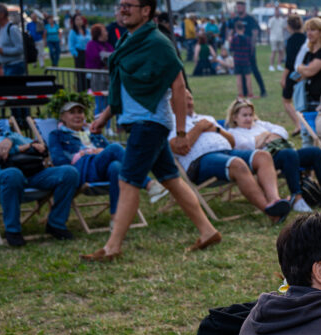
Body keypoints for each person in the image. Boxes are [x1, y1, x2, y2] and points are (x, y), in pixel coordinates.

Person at [81, 0, 220, 262]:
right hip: (140, 121)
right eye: (120, 5)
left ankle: (112, 247)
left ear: (146, 10)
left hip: (150, 123)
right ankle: (208, 231)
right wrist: (105, 115)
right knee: (170, 178)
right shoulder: (127, 41)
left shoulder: (157, 41)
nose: (122, 9)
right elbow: (125, 86)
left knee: (127, 179)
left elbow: (178, 86)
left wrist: (181, 133)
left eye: (129, 5)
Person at [175, 90, 291, 221]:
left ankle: (275, 200)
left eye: (190, 98)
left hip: (227, 151)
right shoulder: (172, 123)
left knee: (263, 156)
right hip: (200, 161)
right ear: (173, 102)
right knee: (237, 164)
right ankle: (270, 211)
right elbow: (178, 148)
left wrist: (217, 130)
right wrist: (199, 128)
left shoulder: (206, 118)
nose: (189, 102)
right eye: (184, 99)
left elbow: (231, 141)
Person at [48, 101, 168, 219]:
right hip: (80, 170)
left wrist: (100, 151)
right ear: (62, 117)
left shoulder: (91, 132)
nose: (77, 115)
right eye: (72, 112)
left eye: (80, 112)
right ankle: (148, 183)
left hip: (99, 169)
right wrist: (84, 153)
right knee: (115, 147)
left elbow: (108, 152)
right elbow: (59, 161)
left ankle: (116, 217)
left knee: (115, 166)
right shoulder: (57, 135)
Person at [225, 97, 321, 212]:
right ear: (235, 117)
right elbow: (249, 146)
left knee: (315, 152)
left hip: (285, 155)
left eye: (250, 115)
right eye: (244, 115)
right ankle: (297, 198)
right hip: (265, 162)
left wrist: (264, 137)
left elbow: (282, 131)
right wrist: (266, 135)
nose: (248, 118)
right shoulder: (233, 133)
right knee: (288, 154)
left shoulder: (260, 124)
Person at [0, 123, 79, 246]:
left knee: (69, 172)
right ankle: (13, 230)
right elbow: (22, 148)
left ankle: (56, 224)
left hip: (32, 174)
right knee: (13, 174)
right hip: (6, 177)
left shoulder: (8, 135)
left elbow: (37, 145)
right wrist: (18, 149)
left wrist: (34, 145)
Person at [294, 18, 321, 123]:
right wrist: (303, 69)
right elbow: (299, 76)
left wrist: (301, 68)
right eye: (307, 30)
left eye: (312, 30)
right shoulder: (309, 54)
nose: (309, 33)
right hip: (307, 99)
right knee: (307, 132)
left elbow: (309, 72)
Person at [232, 2, 266, 98]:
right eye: (237, 7)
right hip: (239, 52)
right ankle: (244, 92)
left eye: (240, 6)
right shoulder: (235, 20)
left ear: (244, 7)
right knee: (241, 73)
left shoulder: (250, 19)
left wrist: (252, 46)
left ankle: (263, 90)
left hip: (248, 50)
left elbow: (255, 32)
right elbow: (231, 32)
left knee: (254, 70)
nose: (238, 8)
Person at [280, 14, 305, 133]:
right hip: (305, 72)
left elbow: (289, 62)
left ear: (289, 26)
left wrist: (284, 77)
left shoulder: (290, 40)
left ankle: (298, 124)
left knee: (286, 100)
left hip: (293, 73)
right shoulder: (306, 38)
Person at [0, 5, 27, 77]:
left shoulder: (12, 29)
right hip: (6, 66)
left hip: (15, 66)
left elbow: (20, 49)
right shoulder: (1, 29)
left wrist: (3, 51)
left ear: (2, 14)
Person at [229, 20, 253, 97]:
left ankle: (240, 94)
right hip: (246, 60)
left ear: (236, 29)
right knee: (248, 78)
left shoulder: (234, 39)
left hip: (237, 60)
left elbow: (231, 49)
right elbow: (251, 50)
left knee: (238, 78)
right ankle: (250, 93)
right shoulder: (247, 38)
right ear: (243, 28)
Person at [68, 14, 89, 91]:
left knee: (88, 73)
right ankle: (81, 90)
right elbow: (71, 45)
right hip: (79, 54)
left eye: (80, 19)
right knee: (80, 74)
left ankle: (88, 89)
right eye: (77, 19)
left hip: (87, 54)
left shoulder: (86, 31)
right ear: (74, 22)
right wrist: (76, 54)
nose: (79, 21)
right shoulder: (73, 32)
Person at [267, 5, 287, 71]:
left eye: (278, 11)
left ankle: (279, 65)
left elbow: (284, 28)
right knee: (274, 51)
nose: (277, 12)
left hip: (280, 38)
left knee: (281, 52)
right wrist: (271, 35)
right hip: (274, 38)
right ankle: (271, 65)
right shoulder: (271, 19)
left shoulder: (282, 20)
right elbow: (269, 28)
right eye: (276, 11)